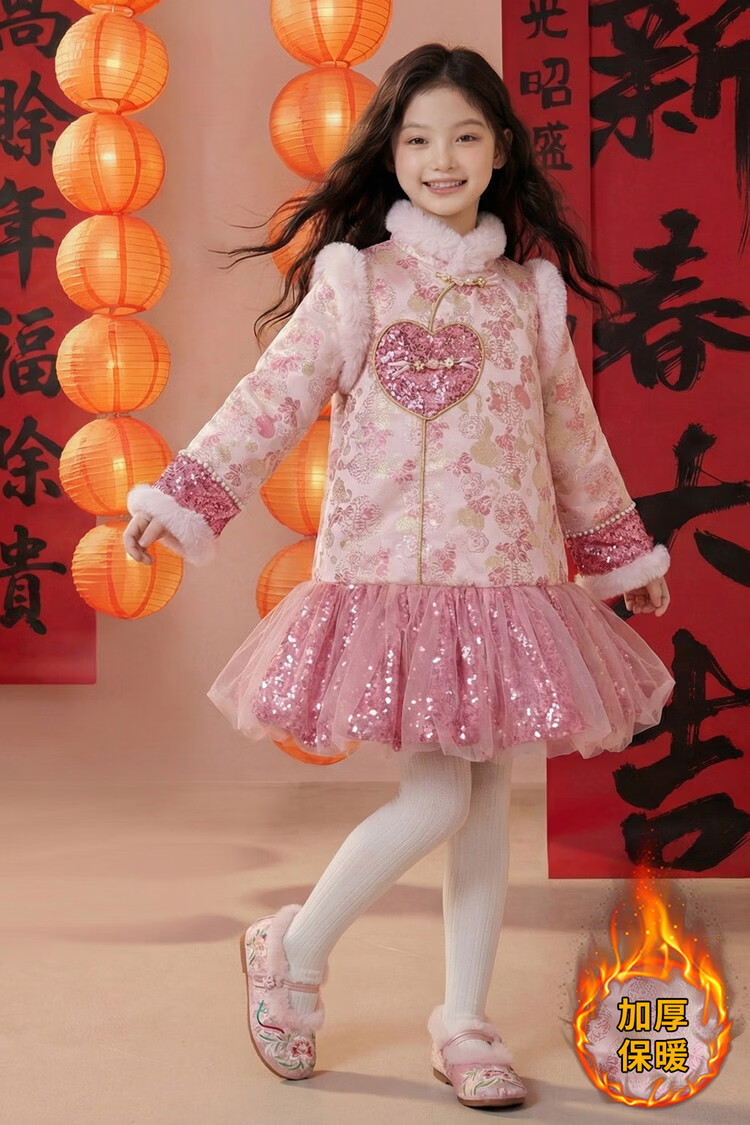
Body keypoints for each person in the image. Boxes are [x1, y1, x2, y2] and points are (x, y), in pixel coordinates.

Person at [123, 44, 673, 1110]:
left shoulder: (527, 296)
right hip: (394, 583)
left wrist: (618, 554)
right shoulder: (357, 281)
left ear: (501, 149)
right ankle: (293, 947)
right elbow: (273, 396)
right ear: (391, 153)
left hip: (510, 586)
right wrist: (182, 496)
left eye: (465, 135)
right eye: (418, 138)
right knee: (438, 793)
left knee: (485, 796)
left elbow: (573, 437)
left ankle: (463, 1019)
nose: (441, 158)